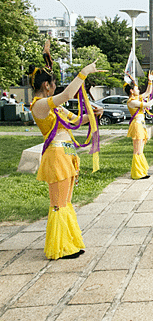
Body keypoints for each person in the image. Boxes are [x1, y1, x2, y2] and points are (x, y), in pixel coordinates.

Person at [29, 58, 103, 260]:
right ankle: (60, 246)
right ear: (46, 85)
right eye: (53, 84)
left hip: (67, 153)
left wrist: (93, 115)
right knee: (59, 203)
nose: (55, 88)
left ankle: (68, 242)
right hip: (56, 154)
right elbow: (69, 94)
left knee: (66, 201)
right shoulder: (41, 105)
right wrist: (83, 72)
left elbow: (76, 120)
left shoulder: (53, 106)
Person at [125, 72, 153, 180]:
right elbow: (148, 104)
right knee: (137, 150)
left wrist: (150, 80)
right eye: (137, 89)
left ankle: (142, 171)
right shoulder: (131, 101)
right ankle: (137, 173)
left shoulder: (137, 98)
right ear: (131, 91)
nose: (139, 91)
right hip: (137, 125)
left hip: (141, 125)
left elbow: (148, 92)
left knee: (141, 150)